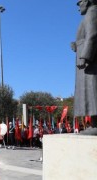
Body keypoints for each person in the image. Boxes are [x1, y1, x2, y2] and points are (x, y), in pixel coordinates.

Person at [72, 0, 97, 135]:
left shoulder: (93, 12)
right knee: (89, 93)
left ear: (87, 2)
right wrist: (76, 45)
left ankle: (96, 124)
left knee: (93, 91)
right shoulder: (89, 15)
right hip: (87, 60)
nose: (78, 7)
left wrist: (85, 56)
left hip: (90, 61)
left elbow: (93, 35)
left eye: (79, 2)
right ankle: (94, 124)